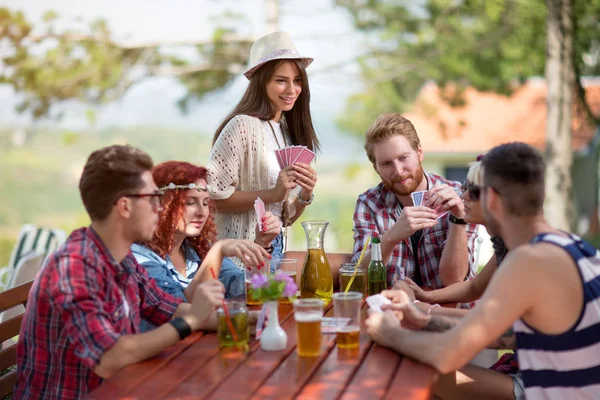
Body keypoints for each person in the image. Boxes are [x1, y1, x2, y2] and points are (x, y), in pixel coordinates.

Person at [13, 145, 269, 399]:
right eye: (152, 198)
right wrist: (191, 322)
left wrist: (249, 320)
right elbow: (109, 357)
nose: (161, 208)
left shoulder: (120, 257)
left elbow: (168, 308)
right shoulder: (74, 266)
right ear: (125, 206)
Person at [366, 142, 600, 399]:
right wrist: (422, 316)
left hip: (549, 391)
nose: (463, 195)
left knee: (417, 371)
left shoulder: (527, 261)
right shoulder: (566, 245)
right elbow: (504, 336)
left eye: (471, 190)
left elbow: (447, 355)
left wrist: (387, 332)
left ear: (493, 200)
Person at [207, 31, 320, 266]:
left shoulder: (286, 133)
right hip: (240, 255)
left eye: (297, 80)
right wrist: (273, 194)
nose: (292, 89)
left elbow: (284, 217)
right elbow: (214, 197)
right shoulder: (242, 126)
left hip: (273, 247)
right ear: (262, 82)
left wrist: (305, 195)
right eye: (281, 80)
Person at [352, 113, 478, 298]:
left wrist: (458, 219)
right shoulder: (369, 203)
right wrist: (391, 237)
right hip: (394, 312)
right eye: (386, 163)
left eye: (403, 158)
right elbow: (359, 278)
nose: (398, 171)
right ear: (376, 167)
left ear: (419, 152)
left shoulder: (458, 197)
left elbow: (454, 280)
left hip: (449, 311)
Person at [132, 161, 281, 311]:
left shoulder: (197, 250)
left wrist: (262, 244)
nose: (202, 212)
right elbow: (178, 312)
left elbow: (246, 290)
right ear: (162, 205)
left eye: (205, 203)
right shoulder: (141, 258)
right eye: (190, 202)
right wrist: (218, 252)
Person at [402, 156, 508, 309]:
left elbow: (492, 322)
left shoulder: (519, 249)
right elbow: (474, 288)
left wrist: (425, 309)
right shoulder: (506, 245)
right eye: (465, 187)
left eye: (474, 191)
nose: (463, 195)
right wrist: (425, 296)